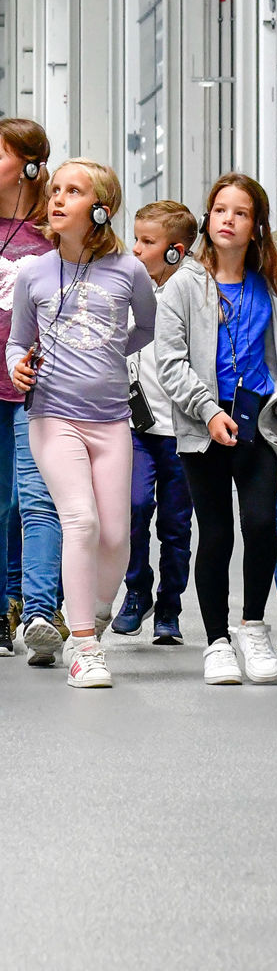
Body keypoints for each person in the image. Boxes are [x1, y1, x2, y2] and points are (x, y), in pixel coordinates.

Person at [7, 159, 156, 688]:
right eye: (55, 189)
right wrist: (18, 367)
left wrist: (109, 355)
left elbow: (144, 326)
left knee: (117, 537)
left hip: (112, 419)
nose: (57, 198)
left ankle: (88, 609)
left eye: (73, 191)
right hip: (52, 415)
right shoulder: (34, 272)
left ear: (100, 208)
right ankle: (86, 647)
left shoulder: (129, 270)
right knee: (82, 522)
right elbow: (17, 341)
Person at [155, 173, 277, 687]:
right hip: (204, 425)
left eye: (240, 213)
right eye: (220, 210)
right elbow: (170, 364)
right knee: (215, 533)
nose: (228, 220)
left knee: (261, 524)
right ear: (207, 218)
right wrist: (207, 410)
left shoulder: (269, 285)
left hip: (256, 421)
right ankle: (216, 641)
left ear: (256, 225)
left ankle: (252, 627)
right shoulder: (182, 285)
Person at [112, 201, 198, 645]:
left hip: (181, 433)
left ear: (174, 251)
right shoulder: (127, 289)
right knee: (133, 507)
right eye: (137, 238)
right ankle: (137, 590)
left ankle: (169, 607)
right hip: (137, 429)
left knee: (176, 525)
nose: (137, 248)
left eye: (148, 242)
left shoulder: (193, 295)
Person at [0, 119, 63, 664]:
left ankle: (41, 611)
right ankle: (1, 612)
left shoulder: (53, 230)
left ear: (29, 165)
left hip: (37, 390)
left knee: (38, 501)